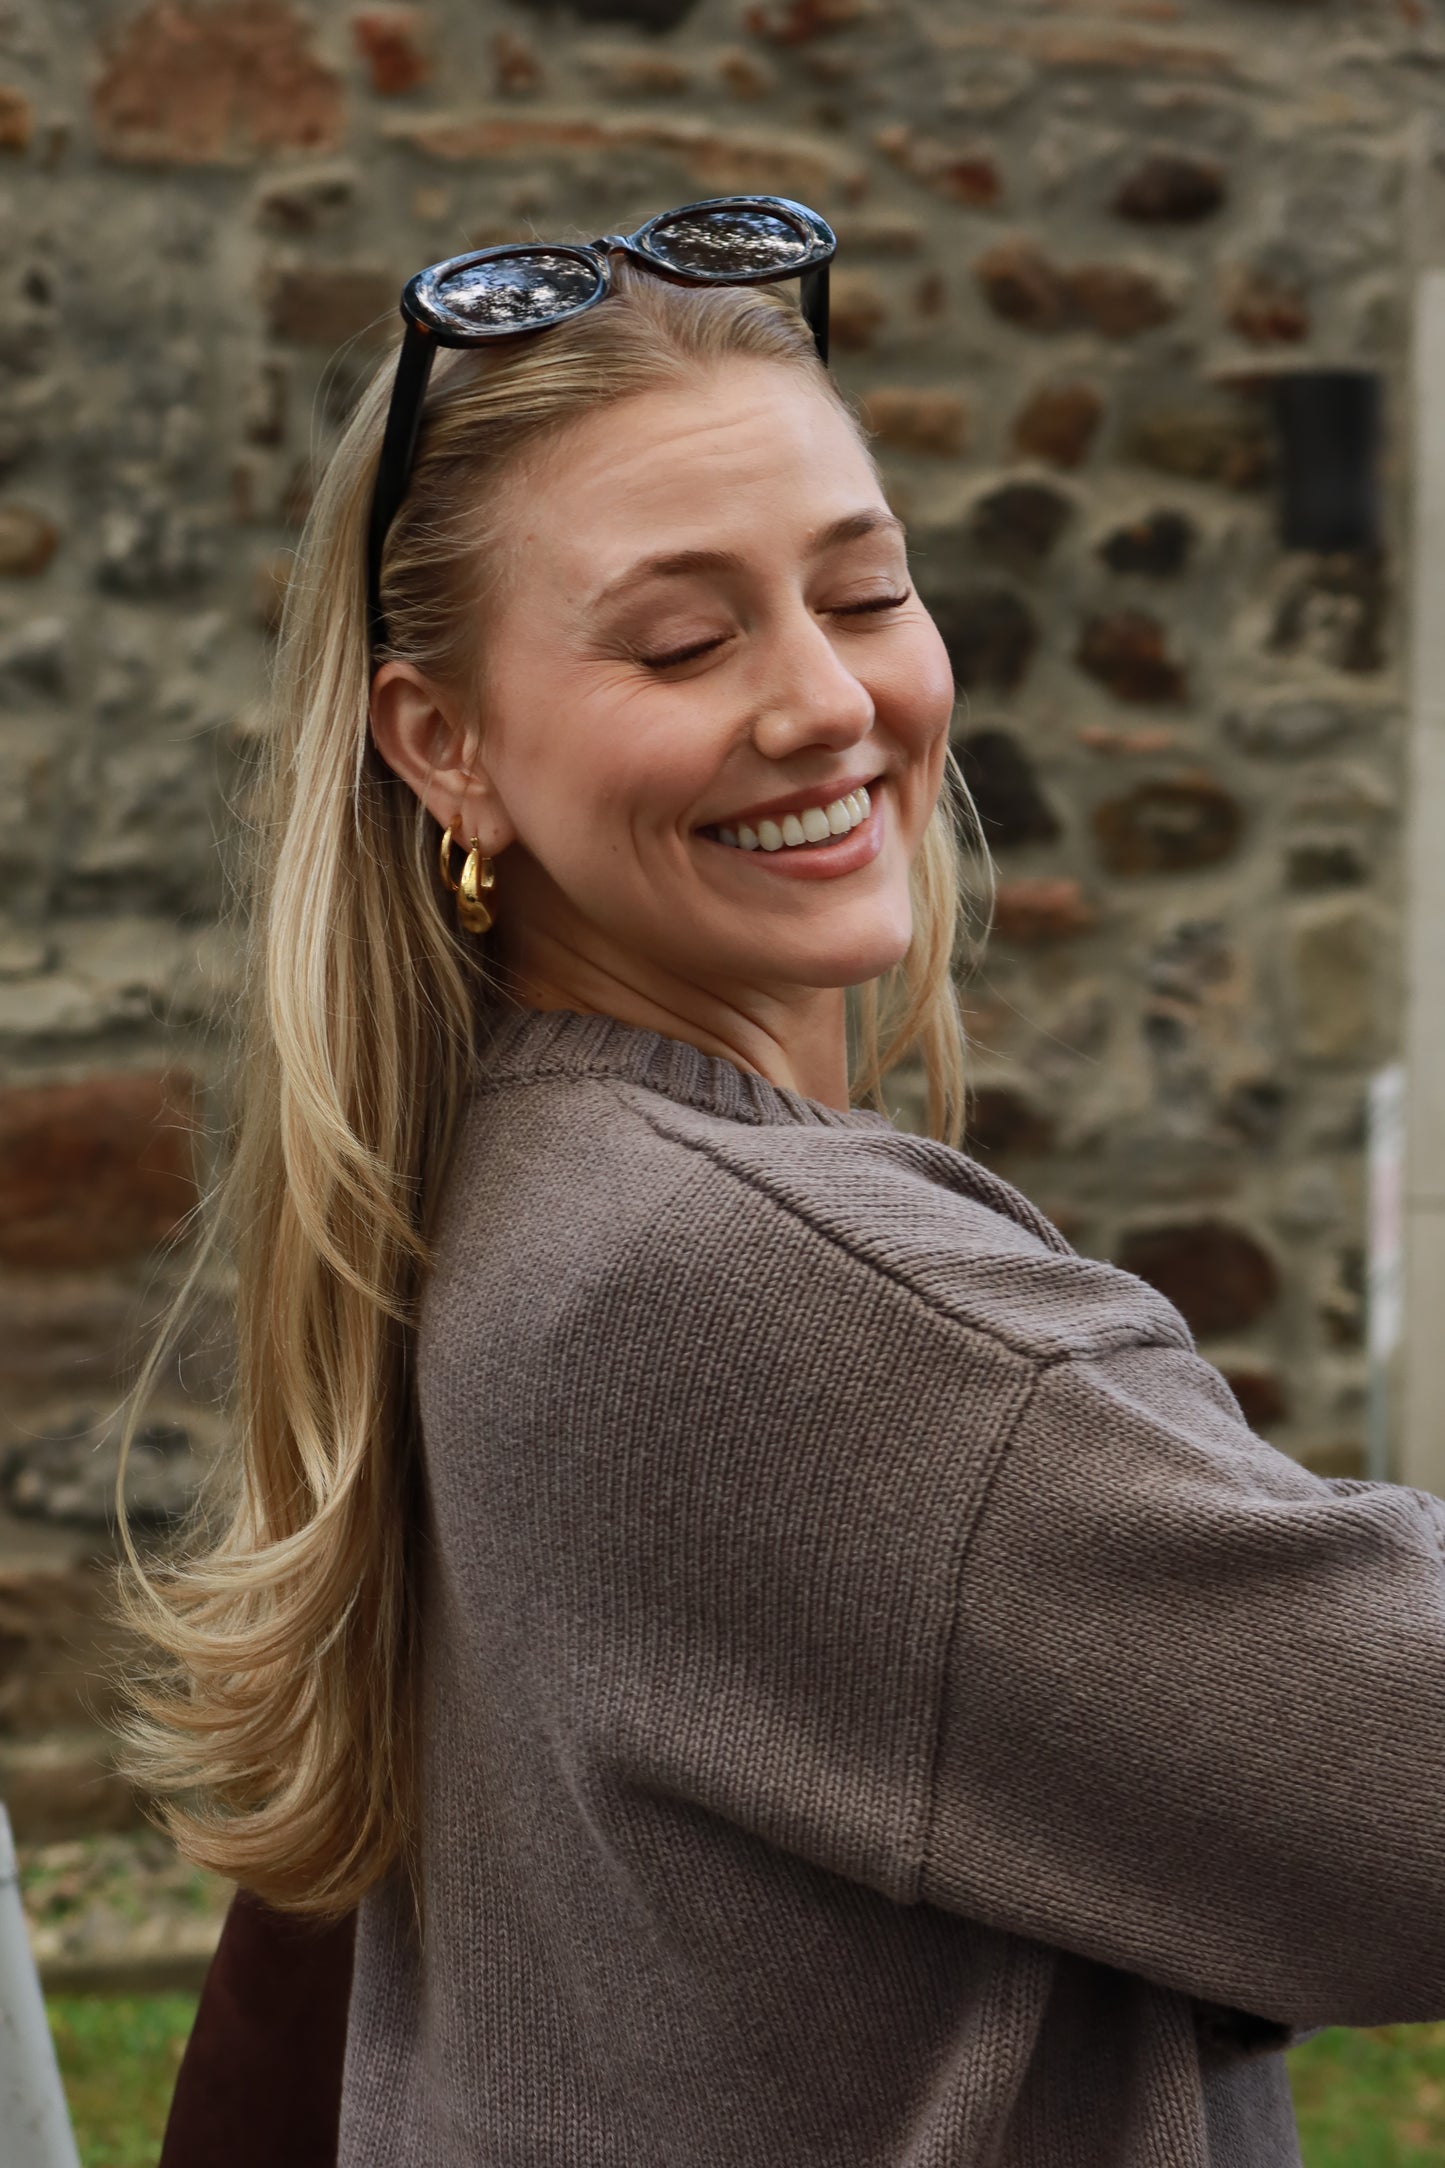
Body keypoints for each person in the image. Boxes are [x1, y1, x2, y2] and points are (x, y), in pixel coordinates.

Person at [127, 195, 1445, 2168]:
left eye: (863, 591)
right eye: (684, 637)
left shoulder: (503, 1188)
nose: (823, 699)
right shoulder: (746, 1286)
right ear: (447, 747)